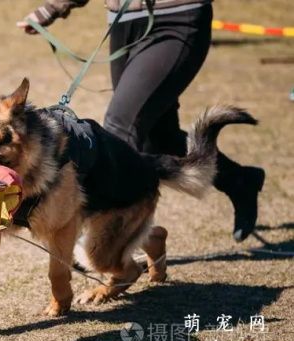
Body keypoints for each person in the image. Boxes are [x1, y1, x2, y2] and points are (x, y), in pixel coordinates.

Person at [17, 0, 265, 242]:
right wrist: (52, 7)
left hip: (178, 18)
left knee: (121, 127)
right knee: (160, 137)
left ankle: (104, 237)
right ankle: (239, 181)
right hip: (123, 22)